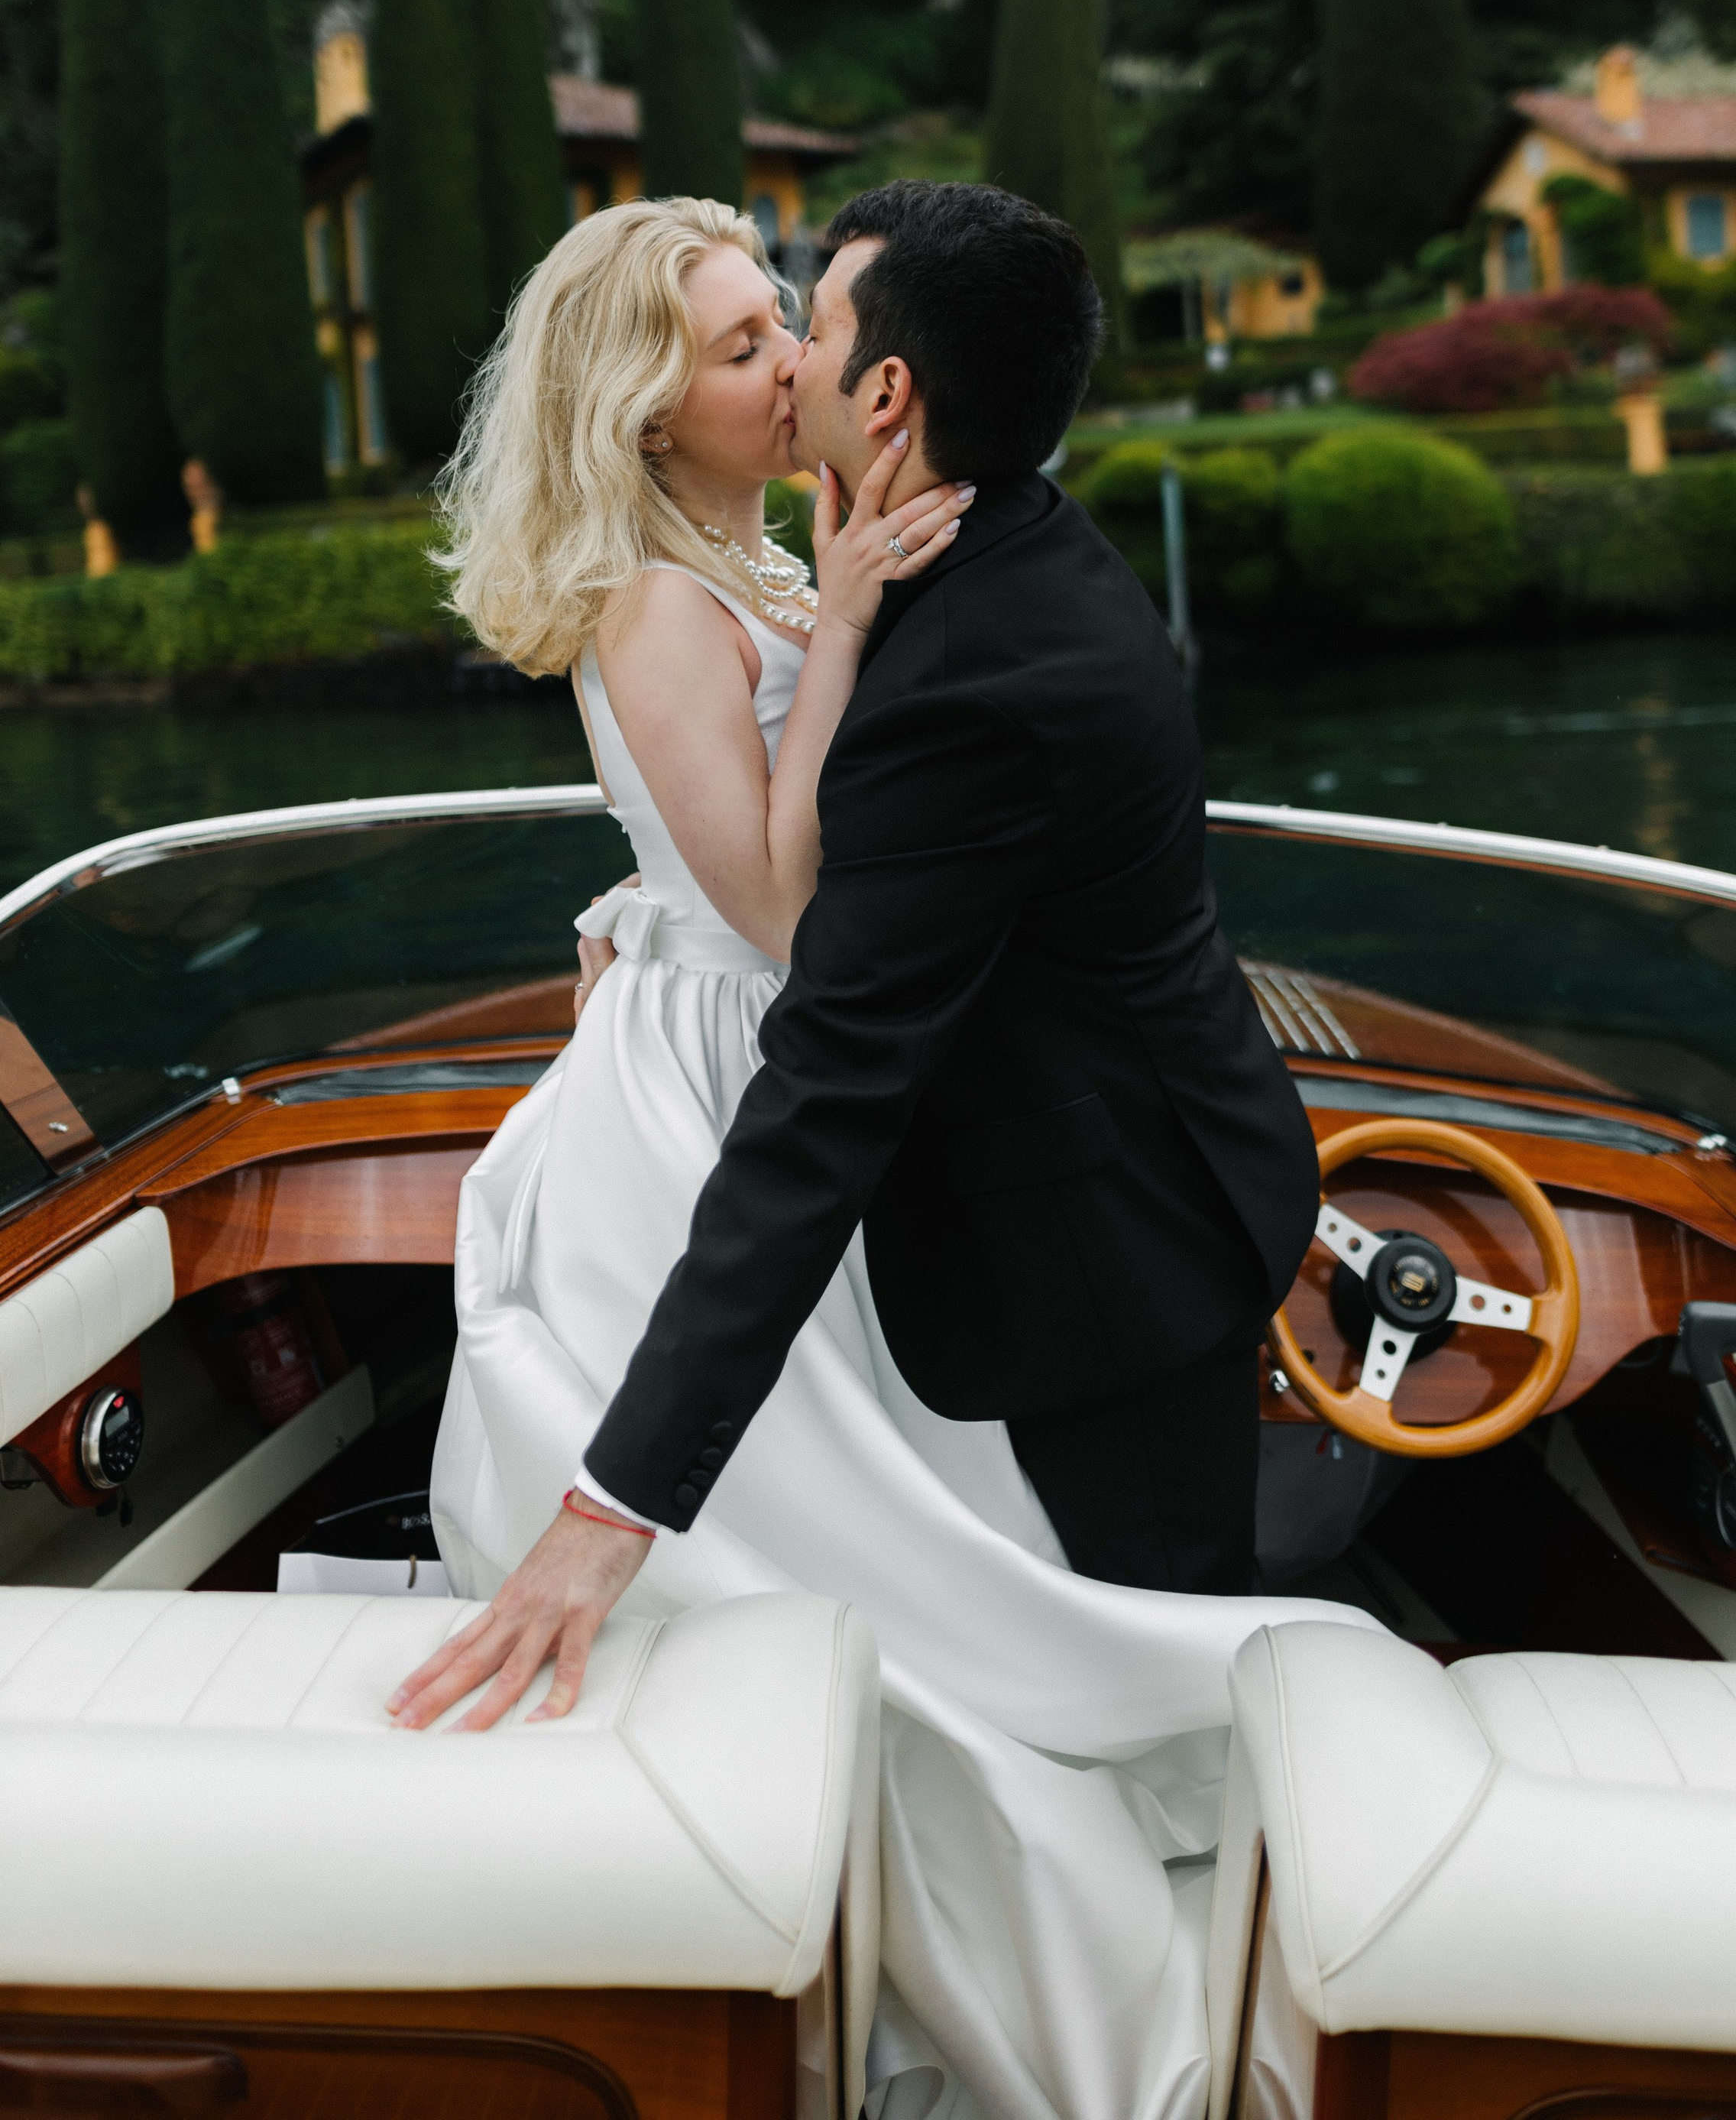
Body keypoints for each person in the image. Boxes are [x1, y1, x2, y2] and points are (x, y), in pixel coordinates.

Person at [409, 182, 1355, 2120]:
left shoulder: (804, 554)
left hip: (912, 1081)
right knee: (857, 1539)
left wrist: (799, 652)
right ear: (647, 407)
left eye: (792, 329)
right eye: (741, 342)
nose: (780, 367)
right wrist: (808, 663)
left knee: (934, 1509)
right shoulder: (733, 584)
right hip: (752, 1058)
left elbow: (802, 846)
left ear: (890, 389)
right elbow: (770, 900)